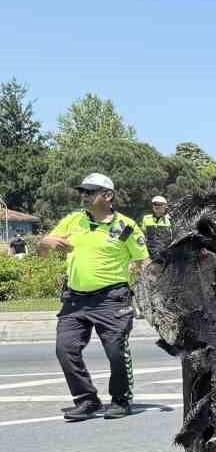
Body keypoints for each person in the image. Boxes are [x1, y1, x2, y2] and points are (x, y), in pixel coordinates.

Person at [35, 173, 147, 420]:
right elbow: (43, 251)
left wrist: (152, 290)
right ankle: (87, 400)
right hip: (75, 299)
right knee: (65, 349)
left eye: (90, 192)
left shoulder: (125, 227)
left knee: (116, 351)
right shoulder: (73, 221)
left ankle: (121, 399)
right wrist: (45, 242)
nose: (84, 196)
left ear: (107, 196)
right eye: (82, 192)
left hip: (112, 298)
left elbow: (142, 261)